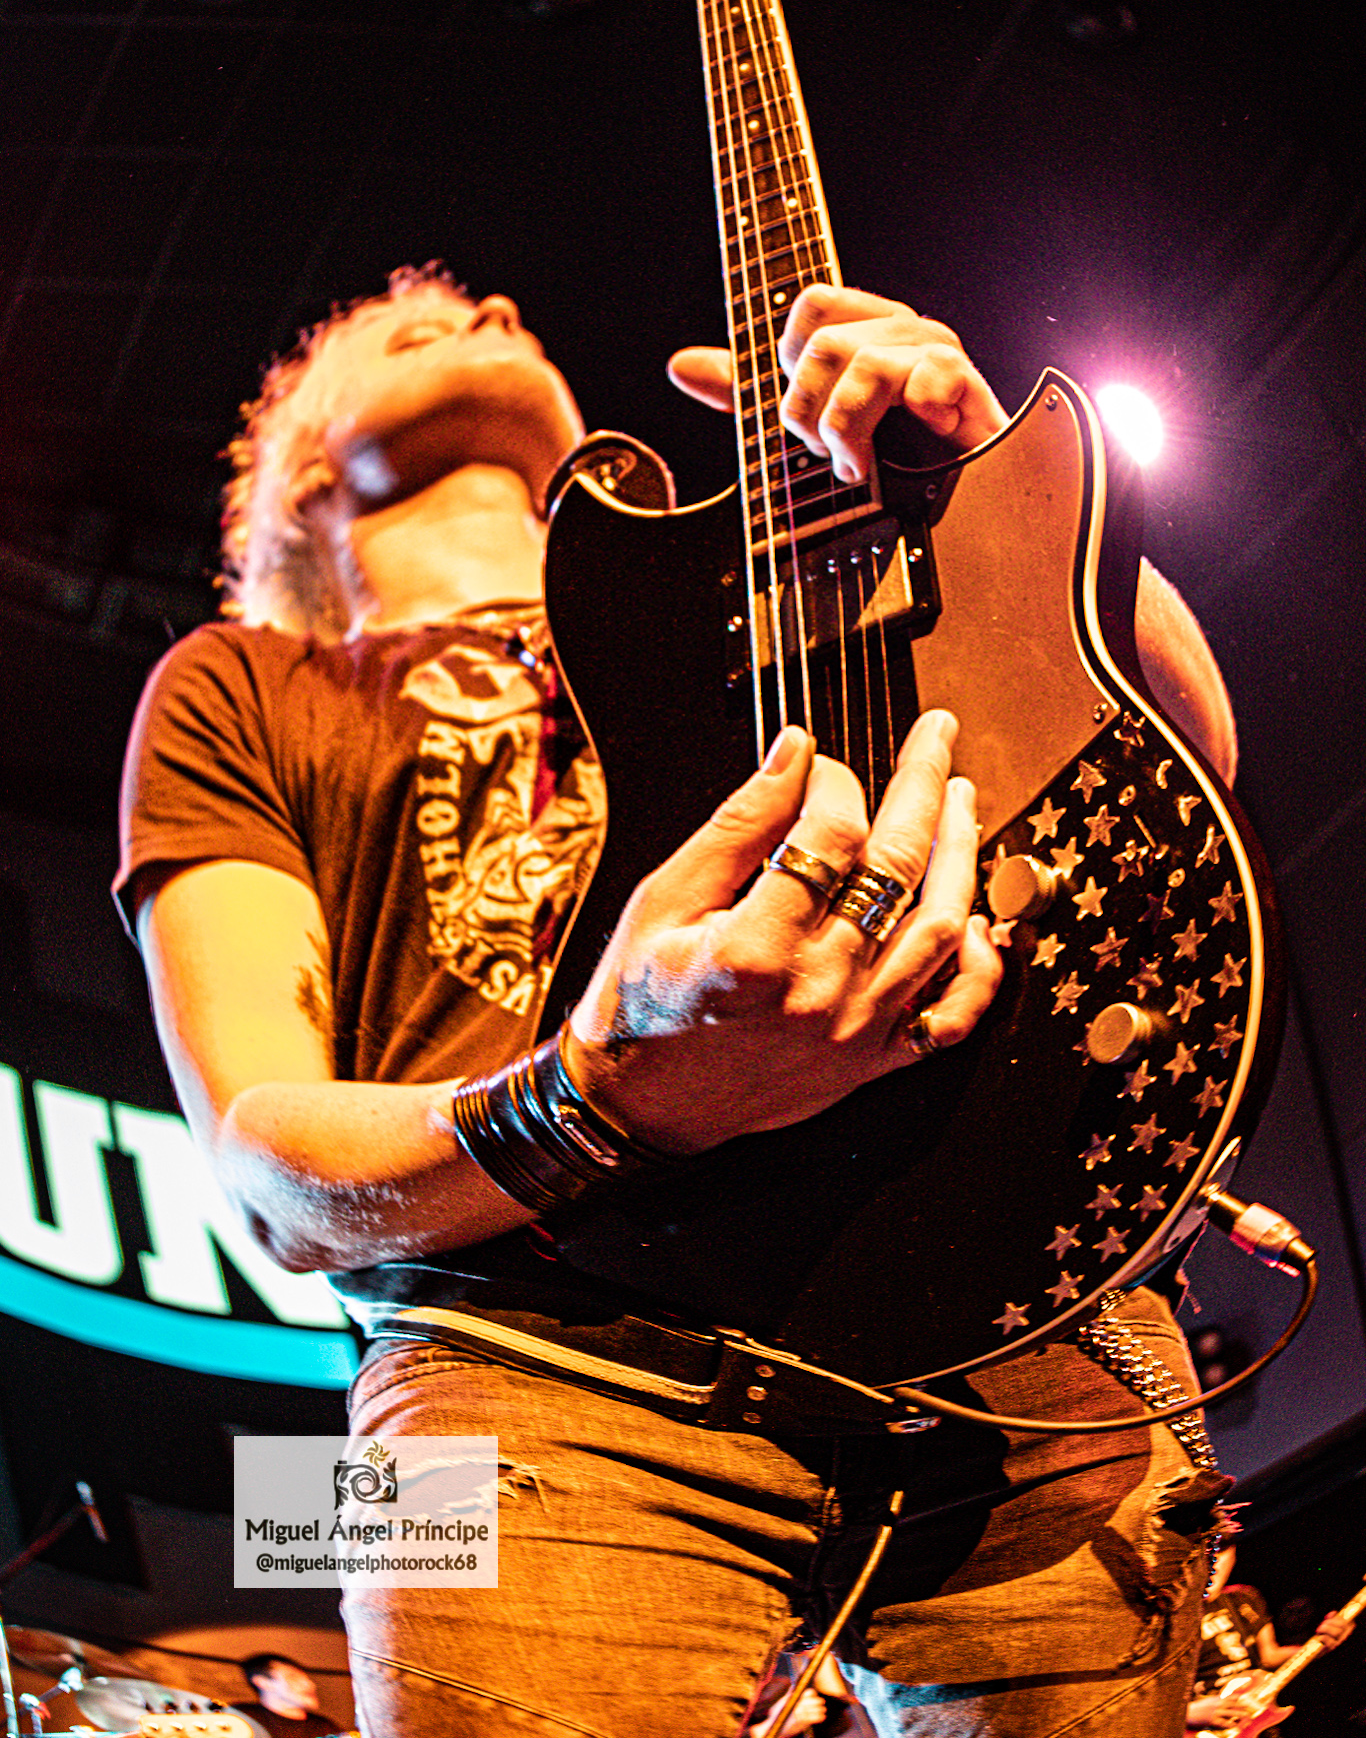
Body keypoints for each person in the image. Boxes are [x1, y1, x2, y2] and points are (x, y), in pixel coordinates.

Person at [117, 269, 1239, 1736]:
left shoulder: (737, 583)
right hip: (495, 1356)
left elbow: (1191, 765)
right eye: (400, 325)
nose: (485, 306)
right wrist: (598, 1097)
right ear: (301, 471)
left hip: (1004, 1300)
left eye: (497, 307)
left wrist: (988, 482)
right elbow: (268, 1178)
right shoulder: (236, 682)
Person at [1185, 1544, 1355, 1729]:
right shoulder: (1167, 1617)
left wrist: (1320, 1647)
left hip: (1250, 1717)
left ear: (1233, 1553)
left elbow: (1269, 1656)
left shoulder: (1242, 1597)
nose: (1213, 1565)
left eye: (1220, 1552)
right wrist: (1188, 1714)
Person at [233, 1649, 344, 1735]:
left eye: (307, 1678)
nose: (309, 1684)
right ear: (263, 1682)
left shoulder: (325, 1727)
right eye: (293, 1677)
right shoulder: (240, 1718)